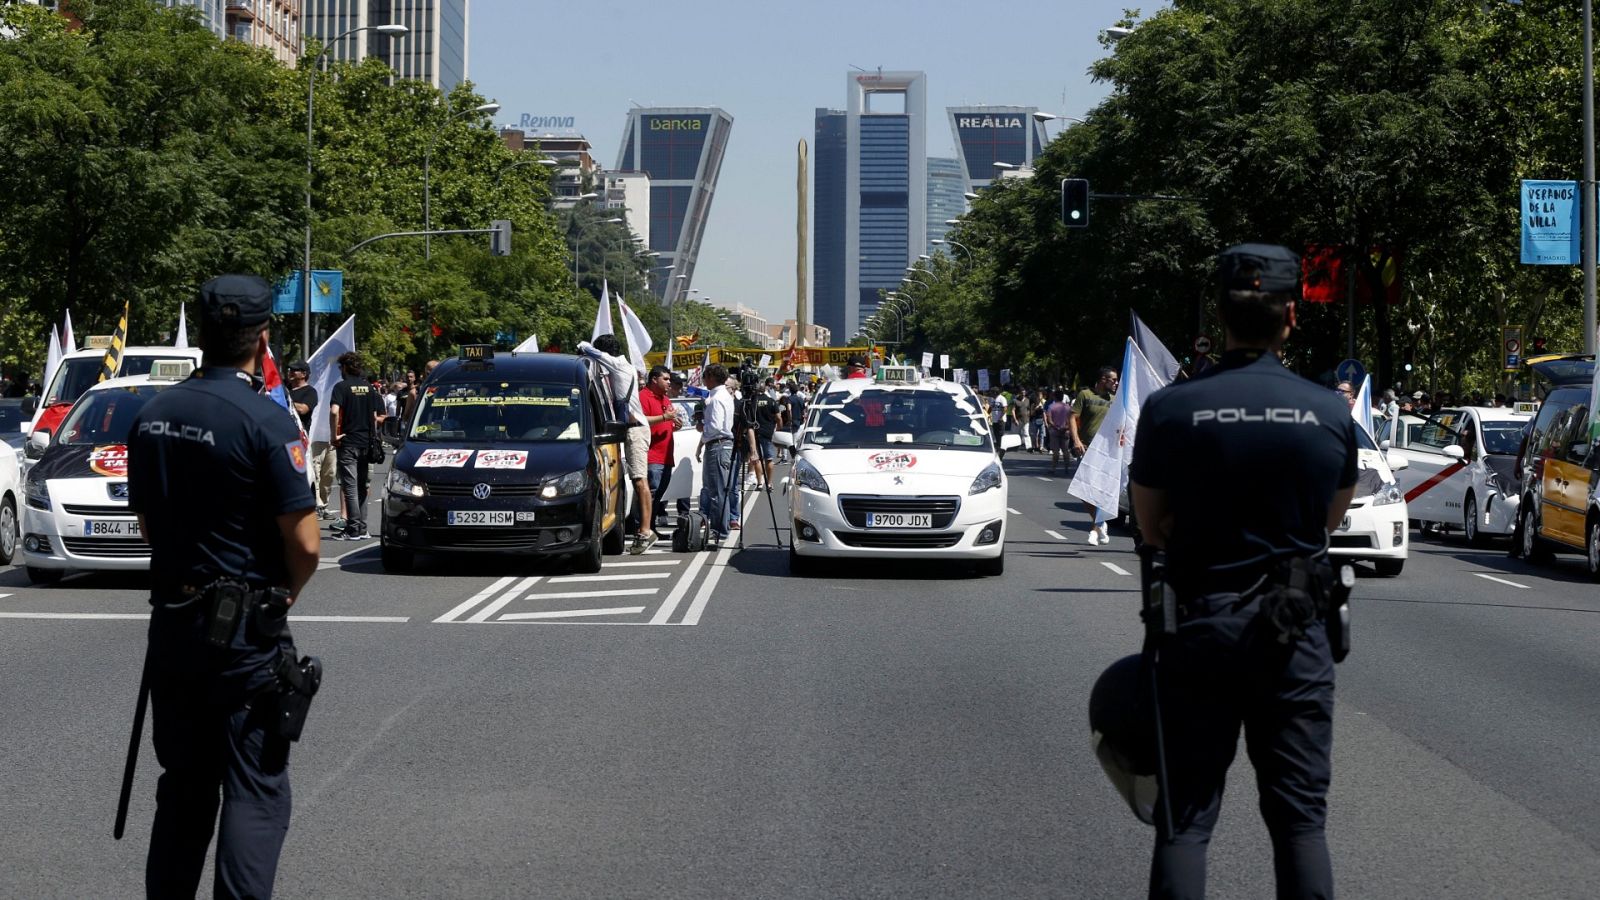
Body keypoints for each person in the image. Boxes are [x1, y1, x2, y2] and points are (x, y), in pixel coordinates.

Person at [1128, 243, 1357, 900]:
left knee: (1184, 823)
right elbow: (1327, 522)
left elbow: (1150, 524)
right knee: (1300, 825)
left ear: (1221, 317)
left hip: (1198, 627)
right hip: (1294, 635)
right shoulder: (1329, 413)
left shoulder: (1171, 409)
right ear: (1292, 315)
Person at [126, 274, 321, 900]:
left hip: (174, 626)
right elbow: (306, 544)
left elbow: (148, 524)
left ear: (204, 335)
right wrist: (285, 594)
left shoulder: (152, 415)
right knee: (255, 790)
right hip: (245, 636)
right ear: (262, 340)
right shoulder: (265, 420)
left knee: (184, 787)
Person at [579, 335, 656, 550]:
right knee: (635, 480)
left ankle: (646, 531)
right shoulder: (623, 366)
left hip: (636, 431)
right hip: (631, 430)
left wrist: (583, 347)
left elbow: (588, 349)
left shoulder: (619, 364)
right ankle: (643, 528)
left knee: (640, 481)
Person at [329, 351, 382, 541]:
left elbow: (334, 411)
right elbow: (375, 416)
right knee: (361, 487)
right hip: (366, 443)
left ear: (344, 367)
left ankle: (352, 529)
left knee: (350, 487)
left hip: (349, 442)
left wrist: (334, 435)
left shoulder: (341, 387)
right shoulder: (369, 388)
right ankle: (362, 528)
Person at [1074, 366, 1119, 542]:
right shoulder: (1085, 395)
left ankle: (1097, 526)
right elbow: (1072, 417)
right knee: (1083, 490)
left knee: (1100, 491)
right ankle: (1099, 523)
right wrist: (1076, 440)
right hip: (1086, 448)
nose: (1116, 383)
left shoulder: (1116, 399)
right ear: (1103, 379)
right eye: (1113, 380)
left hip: (1107, 451)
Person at [637, 365, 679, 543]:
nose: (669, 383)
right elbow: (640, 420)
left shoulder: (665, 399)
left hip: (666, 456)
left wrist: (675, 424)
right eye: (666, 379)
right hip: (652, 456)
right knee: (650, 495)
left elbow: (668, 420)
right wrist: (664, 418)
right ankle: (643, 528)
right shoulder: (643, 396)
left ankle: (651, 527)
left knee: (658, 496)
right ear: (654, 379)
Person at [695, 364, 736, 545]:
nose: (704, 379)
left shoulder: (716, 398)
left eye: (705, 376)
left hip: (718, 445)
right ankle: (721, 528)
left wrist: (703, 435)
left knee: (717, 491)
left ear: (711, 377)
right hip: (723, 444)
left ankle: (719, 530)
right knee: (720, 490)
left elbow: (715, 427)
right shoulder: (723, 395)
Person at [1045, 390, 1073, 474]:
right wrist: (1066, 427)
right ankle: (1067, 468)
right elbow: (1071, 420)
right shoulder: (1068, 407)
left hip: (1055, 431)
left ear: (1055, 397)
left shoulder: (1051, 407)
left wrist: (1056, 427)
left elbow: (1049, 420)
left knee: (1056, 451)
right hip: (1065, 431)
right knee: (1066, 450)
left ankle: (1053, 468)